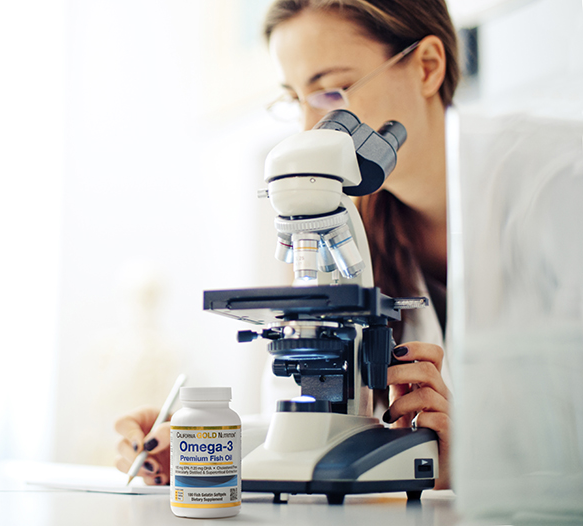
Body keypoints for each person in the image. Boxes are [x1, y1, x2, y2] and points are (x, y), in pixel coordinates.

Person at [115, 0, 457, 490]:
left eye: (330, 92)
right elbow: (298, 430)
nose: (306, 129)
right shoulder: (339, 225)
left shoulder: (554, 194)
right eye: (293, 99)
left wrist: (472, 463)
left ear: (427, 66)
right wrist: (203, 450)